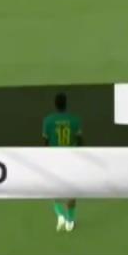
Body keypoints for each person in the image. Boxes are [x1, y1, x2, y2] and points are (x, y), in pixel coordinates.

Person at [42, 92, 83, 232]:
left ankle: (60, 215)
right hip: (71, 159)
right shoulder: (75, 120)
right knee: (72, 190)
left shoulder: (48, 120)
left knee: (55, 189)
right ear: (66, 103)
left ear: (55, 104)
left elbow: (45, 142)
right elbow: (80, 141)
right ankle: (70, 221)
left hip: (55, 159)